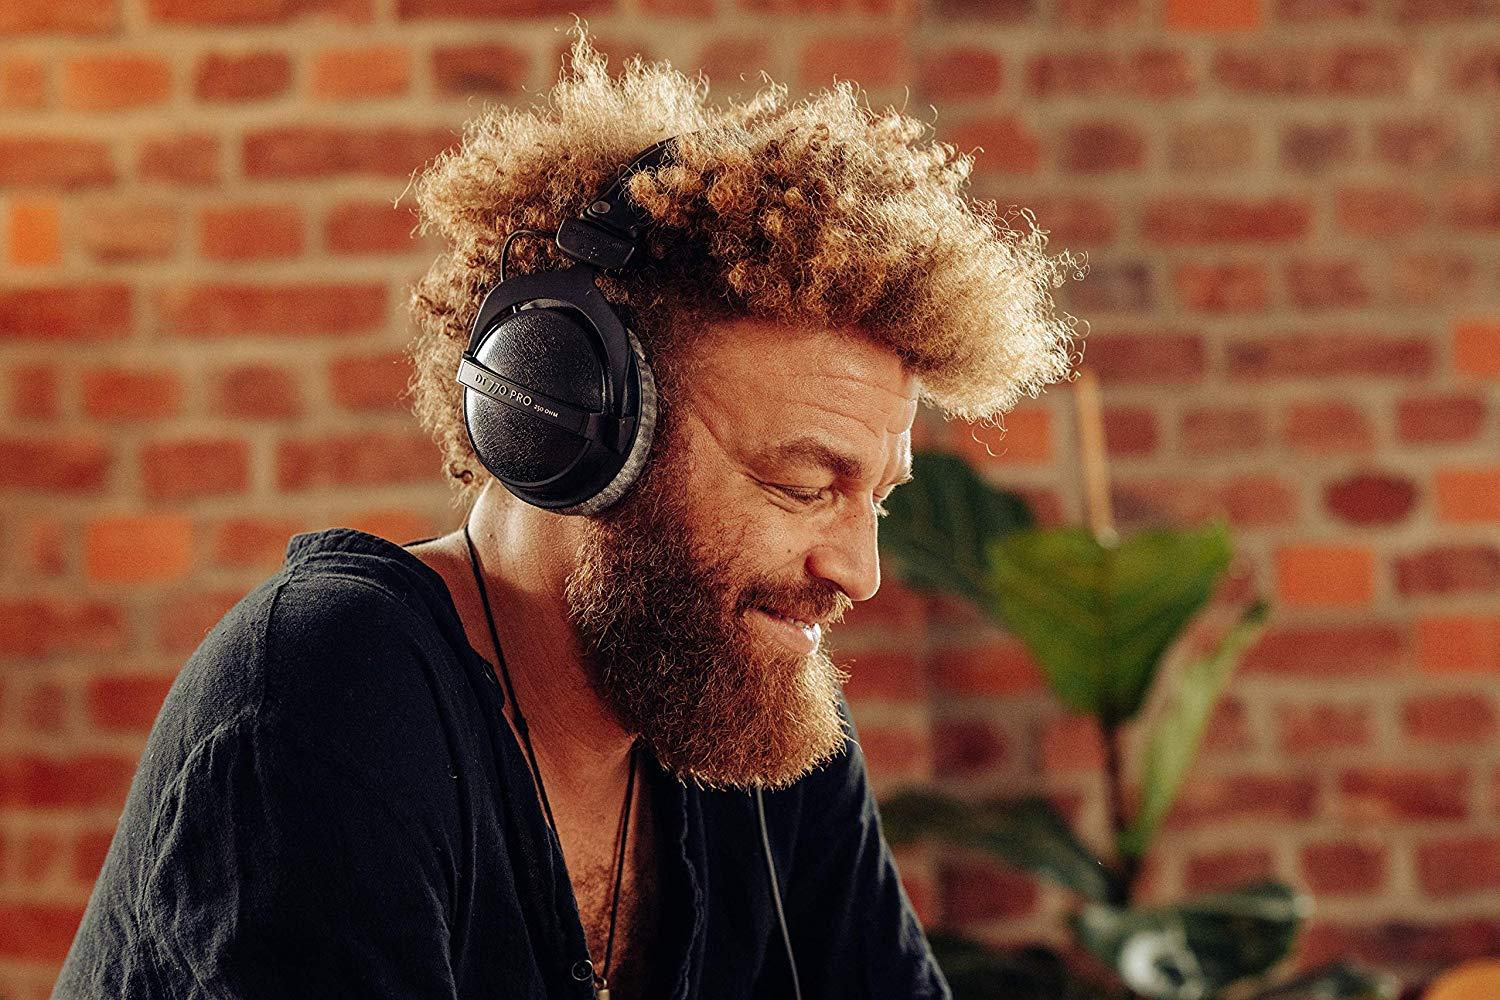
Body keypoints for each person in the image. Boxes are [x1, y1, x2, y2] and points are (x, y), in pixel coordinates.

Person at [53, 27, 1081, 1000]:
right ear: (576, 430)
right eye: (806, 485)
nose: (859, 570)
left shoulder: (755, 697)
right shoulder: (330, 696)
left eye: (877, 497)